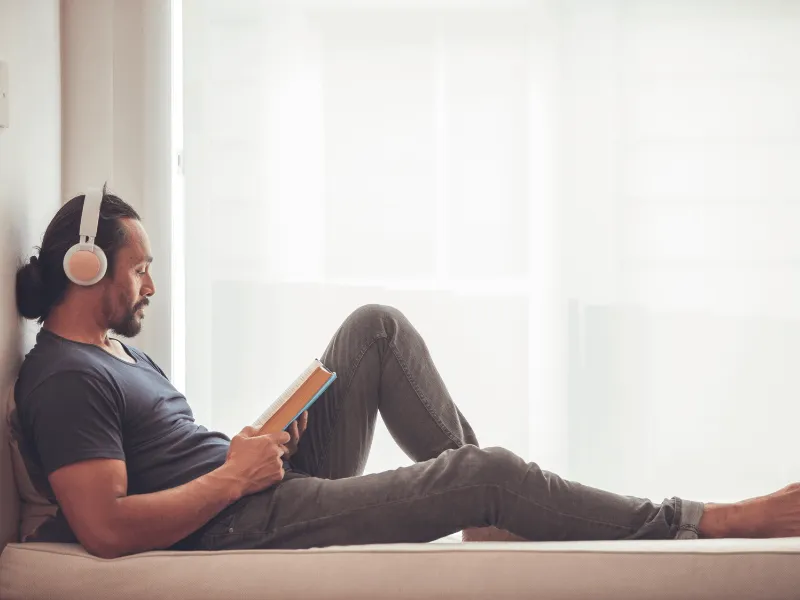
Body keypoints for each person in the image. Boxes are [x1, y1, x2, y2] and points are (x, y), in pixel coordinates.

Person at [12, 190, 800, 559]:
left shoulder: (113, 352)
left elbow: (160, 461)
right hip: (231, 523)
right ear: (87, 268)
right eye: (139, 268)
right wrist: (230, 480)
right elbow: (106, 528)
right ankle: (706, 518)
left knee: (373, 330)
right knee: (481, 469)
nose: (149, 285)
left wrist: (250, 450)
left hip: (241, 490)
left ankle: (492, 516)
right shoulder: (64, 379)